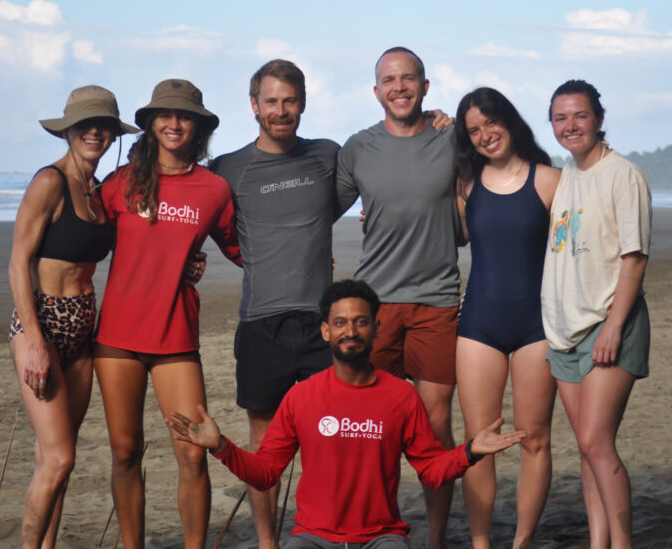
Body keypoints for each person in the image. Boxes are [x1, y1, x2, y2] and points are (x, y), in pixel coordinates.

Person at [165, 279, 527, 548]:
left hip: (382, 538)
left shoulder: (402, 396)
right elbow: (266, 473)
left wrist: (470, 451)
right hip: (312, 538)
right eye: (340, 323)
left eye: (360, 322)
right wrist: (221, 447)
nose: (350, 331)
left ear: (376, 329)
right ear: (326, 331)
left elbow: (431, 471)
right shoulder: (301, 396)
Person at [94, 79, 241, 549]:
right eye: (165, 115)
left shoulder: (214, 189)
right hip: (116, 339)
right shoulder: (119, 183)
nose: (174, 123)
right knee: (125, 454)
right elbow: (82, 241)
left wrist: (308, 254)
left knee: (194, 453)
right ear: (151, 123)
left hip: (175, 338)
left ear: (198, 127)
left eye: (184, 116)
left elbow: (242, 249)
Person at [208, 59, 341, 549]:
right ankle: (268, 543)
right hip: (261, 325)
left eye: (289, 101)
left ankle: (326, 535)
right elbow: (200, 218)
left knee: (331, 438)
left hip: (322, 325)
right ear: (254, 105)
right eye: (271, 101)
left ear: (302, 104)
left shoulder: (328, 155)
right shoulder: (228, 169)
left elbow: (381, 175)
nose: (280, 110)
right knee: (265, 445)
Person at [335, 46, 461, 549]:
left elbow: (494, 178)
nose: (399, 87)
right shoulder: (358, 148)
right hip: (377, 305)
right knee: (373, 427)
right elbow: (314, 212)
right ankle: (375, 531)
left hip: (437, 300)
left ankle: (435, 539)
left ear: (425, 87)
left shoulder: (451, 137)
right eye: (389, 80)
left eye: (409, 78)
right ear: (376, 91)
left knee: (434, 426)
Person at [8, 85, 138, 549]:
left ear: (113, 134)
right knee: (60, 458)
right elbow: (17, 263)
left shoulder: (100, 192)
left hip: (83, 330)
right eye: (85, 124)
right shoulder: (50, 182)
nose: (95, 132)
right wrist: (36, 342)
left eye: (104, 125)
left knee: (56, 457)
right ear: (68, 130)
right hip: (42, 323)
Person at [542, 79, 652, 549]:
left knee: (595, 442)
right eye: (560, 118)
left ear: (599, 120)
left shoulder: (623, 174)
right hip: (563, 331)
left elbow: (635, 258)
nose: (570, 125)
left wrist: (613, 327)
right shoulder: (565, 174)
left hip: (609, 326)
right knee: (587, 450)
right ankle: (598, 542)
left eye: (580, 115)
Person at [453, 87, 559, 549]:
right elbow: (445, 234)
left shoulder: (550, 181)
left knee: (535, 439)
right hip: (479, 325)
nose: (485, 135)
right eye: (474, 130)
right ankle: (481, 544)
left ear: (509, 120)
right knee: (479, 442)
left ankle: (522, 542)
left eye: (491, 122)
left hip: (538, 327)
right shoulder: (466, 185)